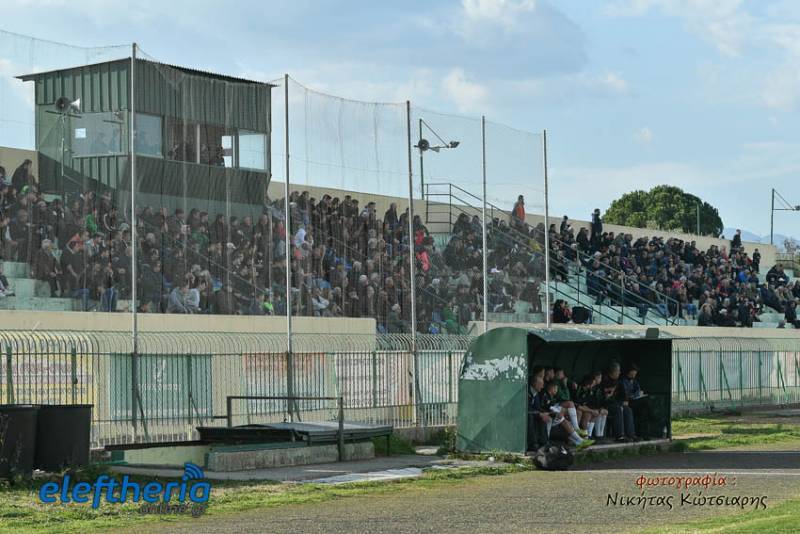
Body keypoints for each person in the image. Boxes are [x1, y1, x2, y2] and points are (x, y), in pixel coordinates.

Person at [539, 380, 593, 449]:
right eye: (555, 388)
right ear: (551, 388)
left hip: (554, 415)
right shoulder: (545, 394)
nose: (556, 390)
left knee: (566, 418)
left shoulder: (552, 396)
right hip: (545, 416)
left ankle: (579, 441)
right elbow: (547, 407)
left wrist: (560, 411)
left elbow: (563, 400)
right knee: (564, 417)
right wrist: (558, 411)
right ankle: (579, 439)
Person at [601, 362, 637, 442]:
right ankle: (619, 436)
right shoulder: (604, 381)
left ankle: (630, 434)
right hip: (607, 405)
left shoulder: (618, 381)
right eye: (618, 371)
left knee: (628, 409)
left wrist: (625, 400)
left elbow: (623, 395)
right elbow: (604, 397)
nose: (619, 373)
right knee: (618, 409)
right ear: (613, 372)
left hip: (617, 403)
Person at [620, 363, 652, 439]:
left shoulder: (634, 381)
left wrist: (636, 394)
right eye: (633, 373)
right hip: (628, 402)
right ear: (629, 372)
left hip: (635, 401)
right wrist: (635, 394)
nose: (634, 375)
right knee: (645, 404)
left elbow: (638, 390)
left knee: (644, 411)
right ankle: (652, 416)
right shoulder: (623, 380)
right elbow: (626, 394)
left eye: (635, 373)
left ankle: (643, 433)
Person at [527, 375, 550, 450]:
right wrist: (539, 414)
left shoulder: (536, 393)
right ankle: (532, 444)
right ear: (534, 384)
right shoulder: (527, 391)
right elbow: (527, 408)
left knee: (544, 417)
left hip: (534, 413)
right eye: (540, 384)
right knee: (530, 417)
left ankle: (544, 443)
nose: (542, 387)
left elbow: (538, 407)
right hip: (525, 414)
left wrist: (545, 413)